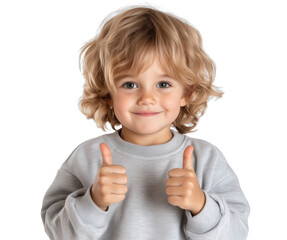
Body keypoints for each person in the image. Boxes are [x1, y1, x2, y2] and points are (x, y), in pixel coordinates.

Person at [41, 6, 250, 240]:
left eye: (163, 84)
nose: (147, 98)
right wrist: (94, 202)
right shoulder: (86, 158)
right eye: (130, 84)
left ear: (187, 92)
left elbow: (237, 233)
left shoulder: (208, 160)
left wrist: (201, 206)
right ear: (108, 93)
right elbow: (58, 232)